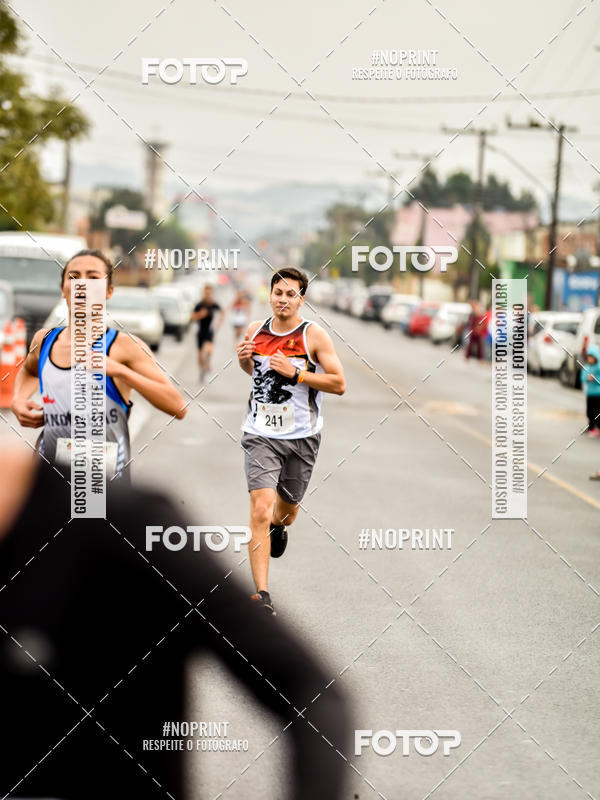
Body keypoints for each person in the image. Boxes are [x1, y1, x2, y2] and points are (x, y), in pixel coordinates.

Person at [0, 442, 351, 799]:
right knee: (263, 507)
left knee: (279, 509)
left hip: (291, 436)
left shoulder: (126, 524)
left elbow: (310, 689)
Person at [10, 249, 187, 481]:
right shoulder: (44, 340)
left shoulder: (125, 346)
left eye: (93, 277)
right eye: (74, 277)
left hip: (102, 486)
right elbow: (29, 371)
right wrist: (18, 400)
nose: (82, 284)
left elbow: (177, 406)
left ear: (108, 291)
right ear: (63, 289)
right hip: (49, 478)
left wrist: (119, 370)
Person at [237, 268, 346, 615]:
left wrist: (297, 373)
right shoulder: (255, 330)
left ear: (302, 299)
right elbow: (255, 374)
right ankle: (262, 595)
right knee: (260, 508)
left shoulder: (313, 336)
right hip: (260, 434)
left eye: (291, 294)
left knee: (286, 512)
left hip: (302, 437)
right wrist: (244, 361)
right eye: (278, 293)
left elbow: (339, 383)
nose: (283, 300)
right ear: (270, 295)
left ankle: (278, 526)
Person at [191, 284, 223, 382]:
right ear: (204, 293)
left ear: (211, 293)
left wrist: (219, 322)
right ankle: (201, 369)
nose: (207, 294)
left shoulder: (213, 304)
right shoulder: (199, 305)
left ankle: (208, 362)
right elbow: (192, 318)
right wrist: (200, 315)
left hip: (209, 331)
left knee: (209, 350)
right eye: (206, 292)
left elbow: (222, 311)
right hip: (200, 332)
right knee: (200, 355)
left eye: (209, 293)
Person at [581, 344, 600, 440]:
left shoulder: (598, 367)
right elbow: (582, 378)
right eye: (589, 357)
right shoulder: (587, 367)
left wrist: (595, 378)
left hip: (598, 394)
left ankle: (597, 428)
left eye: (592, 357)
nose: (590, 359)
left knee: (597, 412)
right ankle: (591, 427)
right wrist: (587, 378)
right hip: (590, 393)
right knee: (589, 411)